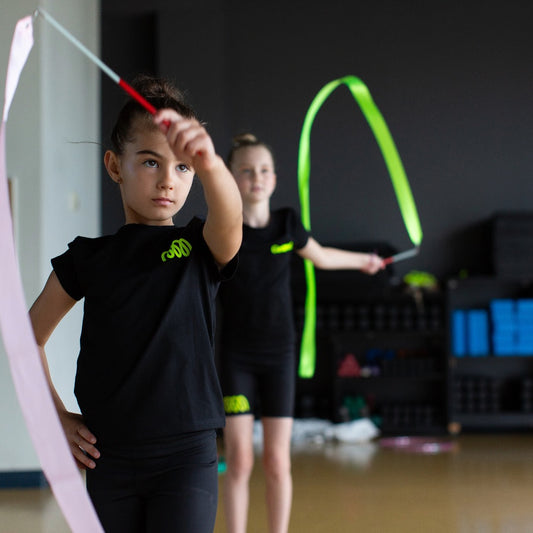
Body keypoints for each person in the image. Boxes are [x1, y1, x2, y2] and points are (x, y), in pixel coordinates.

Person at [28, 75, 242, 533]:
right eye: (150, 161)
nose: (169, 179)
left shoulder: (199, 247)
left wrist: (211, 166)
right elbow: (28, 338)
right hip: (111, 459)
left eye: (183, 167)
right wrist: (55, 417)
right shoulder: (88, 259)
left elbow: (231, 220)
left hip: (187, 457)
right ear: (114, 165)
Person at [217, 133, 384, 533]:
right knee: (240, 459)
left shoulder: (287, 223)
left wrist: (365, 261)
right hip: (235, 358)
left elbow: (322, 257)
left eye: (264, 170)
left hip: (279, 355)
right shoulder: (221, 230)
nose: (256, 178)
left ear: (274, 178)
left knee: (277, 460)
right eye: (246, 171)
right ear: (230, 176)